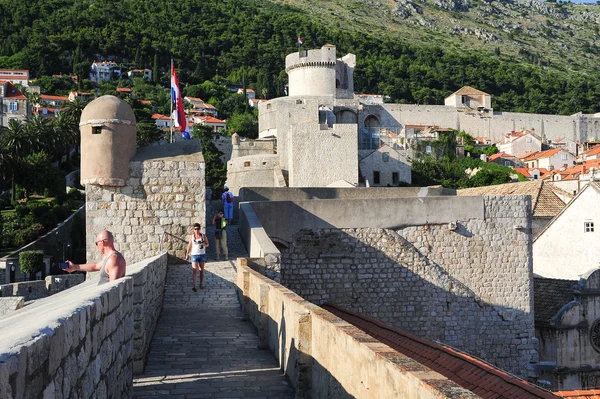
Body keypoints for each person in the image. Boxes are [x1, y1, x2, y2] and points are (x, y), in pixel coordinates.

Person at [186, 223, 209, 292]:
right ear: (193, 229)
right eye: (195, 229)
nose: (196, 230)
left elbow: (208, 244)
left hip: (202, 254)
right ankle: (194, 286)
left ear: (200, 229)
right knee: (195, 270)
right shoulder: (192, 237)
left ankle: (201, 284)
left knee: (201, 270)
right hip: (194, 255)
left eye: (198, 229)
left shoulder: (203, 236)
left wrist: (204, 244)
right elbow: (189, 245)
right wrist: (187, 253)